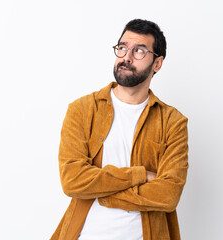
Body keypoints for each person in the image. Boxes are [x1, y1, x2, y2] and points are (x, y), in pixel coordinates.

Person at [50, 19, 189, 240]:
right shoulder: (82, 110)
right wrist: (140, 175)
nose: (126, 57)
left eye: (139, 51)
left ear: (157, 63)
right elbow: (72, 181)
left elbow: (168, 195)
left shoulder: (173, 122)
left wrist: (102, 194)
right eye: (122, 48)